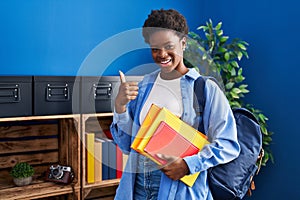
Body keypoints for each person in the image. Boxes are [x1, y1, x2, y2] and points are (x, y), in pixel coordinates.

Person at [110, 8, 240, 200]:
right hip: (136, 186)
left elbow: (228, 144)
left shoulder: (205, 89)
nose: (162, 54)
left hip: (180, 189)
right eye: (155, 48)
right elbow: (127, 145)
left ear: (183, 43)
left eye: (168, 46)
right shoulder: (144, 85)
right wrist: (120, 107)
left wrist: (188, 165)